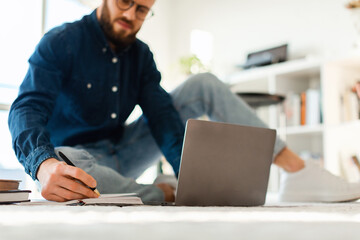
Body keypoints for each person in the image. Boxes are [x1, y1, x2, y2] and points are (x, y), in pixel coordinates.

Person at [8, 0, 360, 203]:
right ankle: (159, 193)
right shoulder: (60, 42)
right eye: (125, 2)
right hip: (80, 157)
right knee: (69, 161)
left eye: (143, 9)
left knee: (203, 83)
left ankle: (299, 172)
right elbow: (27, 108)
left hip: (124, 151)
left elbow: (163, 118)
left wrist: (188, 175)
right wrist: (43, 165)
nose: (131, 15)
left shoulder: (141, 56)